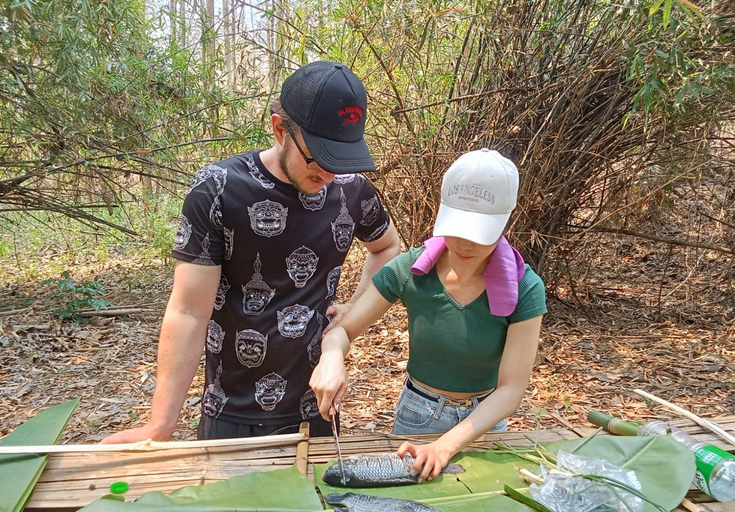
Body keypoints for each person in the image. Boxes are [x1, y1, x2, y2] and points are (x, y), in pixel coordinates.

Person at [101, 61, 400, 443]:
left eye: (340, 159)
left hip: (318, 411)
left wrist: (351, 313)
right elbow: (189, 311)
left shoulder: (351, 190)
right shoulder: (219, 189)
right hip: (232, 410)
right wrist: (161, 424)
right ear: (279, 129)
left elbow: (388, 246)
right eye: (318, 158)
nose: (328, 174)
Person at [311, 148, 546, 481]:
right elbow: (343, 330)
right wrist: (331, 358)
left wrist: (446, 445)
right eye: (456, 228)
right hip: (418, 415)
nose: (464, 244)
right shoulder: (412, 270)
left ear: (504, 221)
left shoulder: (525, 288)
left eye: (478, 233)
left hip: (485, 420)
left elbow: (511, 387)